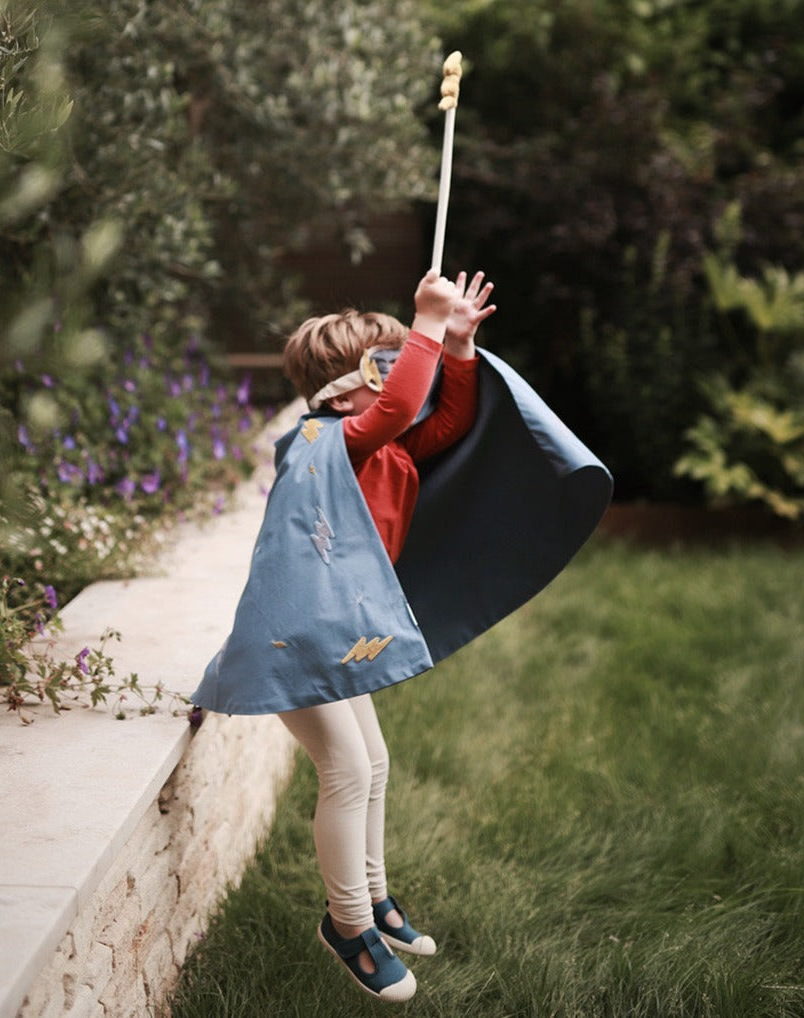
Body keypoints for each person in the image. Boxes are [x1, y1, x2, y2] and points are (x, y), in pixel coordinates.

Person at [192, 266, 613, 1003]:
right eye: (383, 370)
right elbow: (398, 408)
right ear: (344, 388)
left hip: (328, 638)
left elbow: (442, 420)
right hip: (295, 644)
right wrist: (421, 324)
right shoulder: (332, 440)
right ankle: (347, 924)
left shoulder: (381, 447)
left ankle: (376, 898)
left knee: (373, 762)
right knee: (348, 770)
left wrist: (453, 349)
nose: (396, 384)